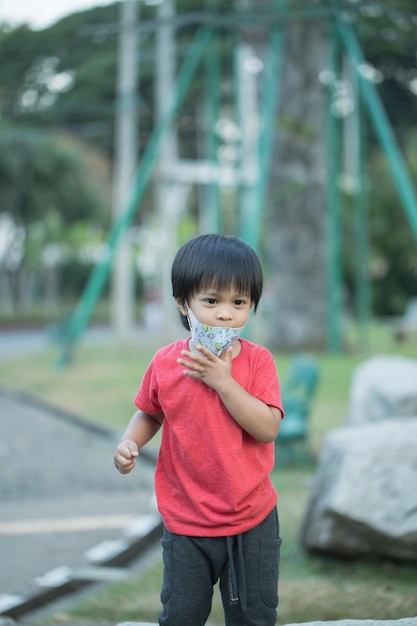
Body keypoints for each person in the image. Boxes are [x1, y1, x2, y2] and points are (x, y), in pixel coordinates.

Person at [114, 233, 284, 626]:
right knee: (182, 616)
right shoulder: (165, 363)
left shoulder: (258, 363)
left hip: (251, 518)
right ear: (182, 302)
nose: (225, 314)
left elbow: (267, 429)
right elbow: (150, 412)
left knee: (252, 616)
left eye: (239, 303)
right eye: (211, 301)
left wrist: (224, 382)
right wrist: (129, 440)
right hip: (186, 519)